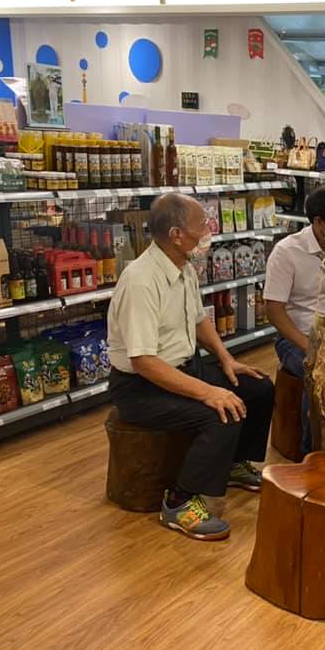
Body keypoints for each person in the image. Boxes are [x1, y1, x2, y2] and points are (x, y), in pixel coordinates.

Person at [107, 193, 274, 542]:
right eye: (202, 226)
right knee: (222, 414)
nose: (208, 231)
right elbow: (144, 362)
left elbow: (198, 320)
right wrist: (208, 392)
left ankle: (233, 464)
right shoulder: (141, 281)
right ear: (177, 234)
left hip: (184, 367)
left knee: (258, 388)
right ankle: (179, 503)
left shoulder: (182, 266)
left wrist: (227, 360)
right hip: (141, 388)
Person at [264, 184, 325, 454]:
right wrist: (310, 345)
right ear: (318, 222)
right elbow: (274, 310)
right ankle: (312, 455)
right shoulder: (287, 252)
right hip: (297, 338)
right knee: (320, 374)